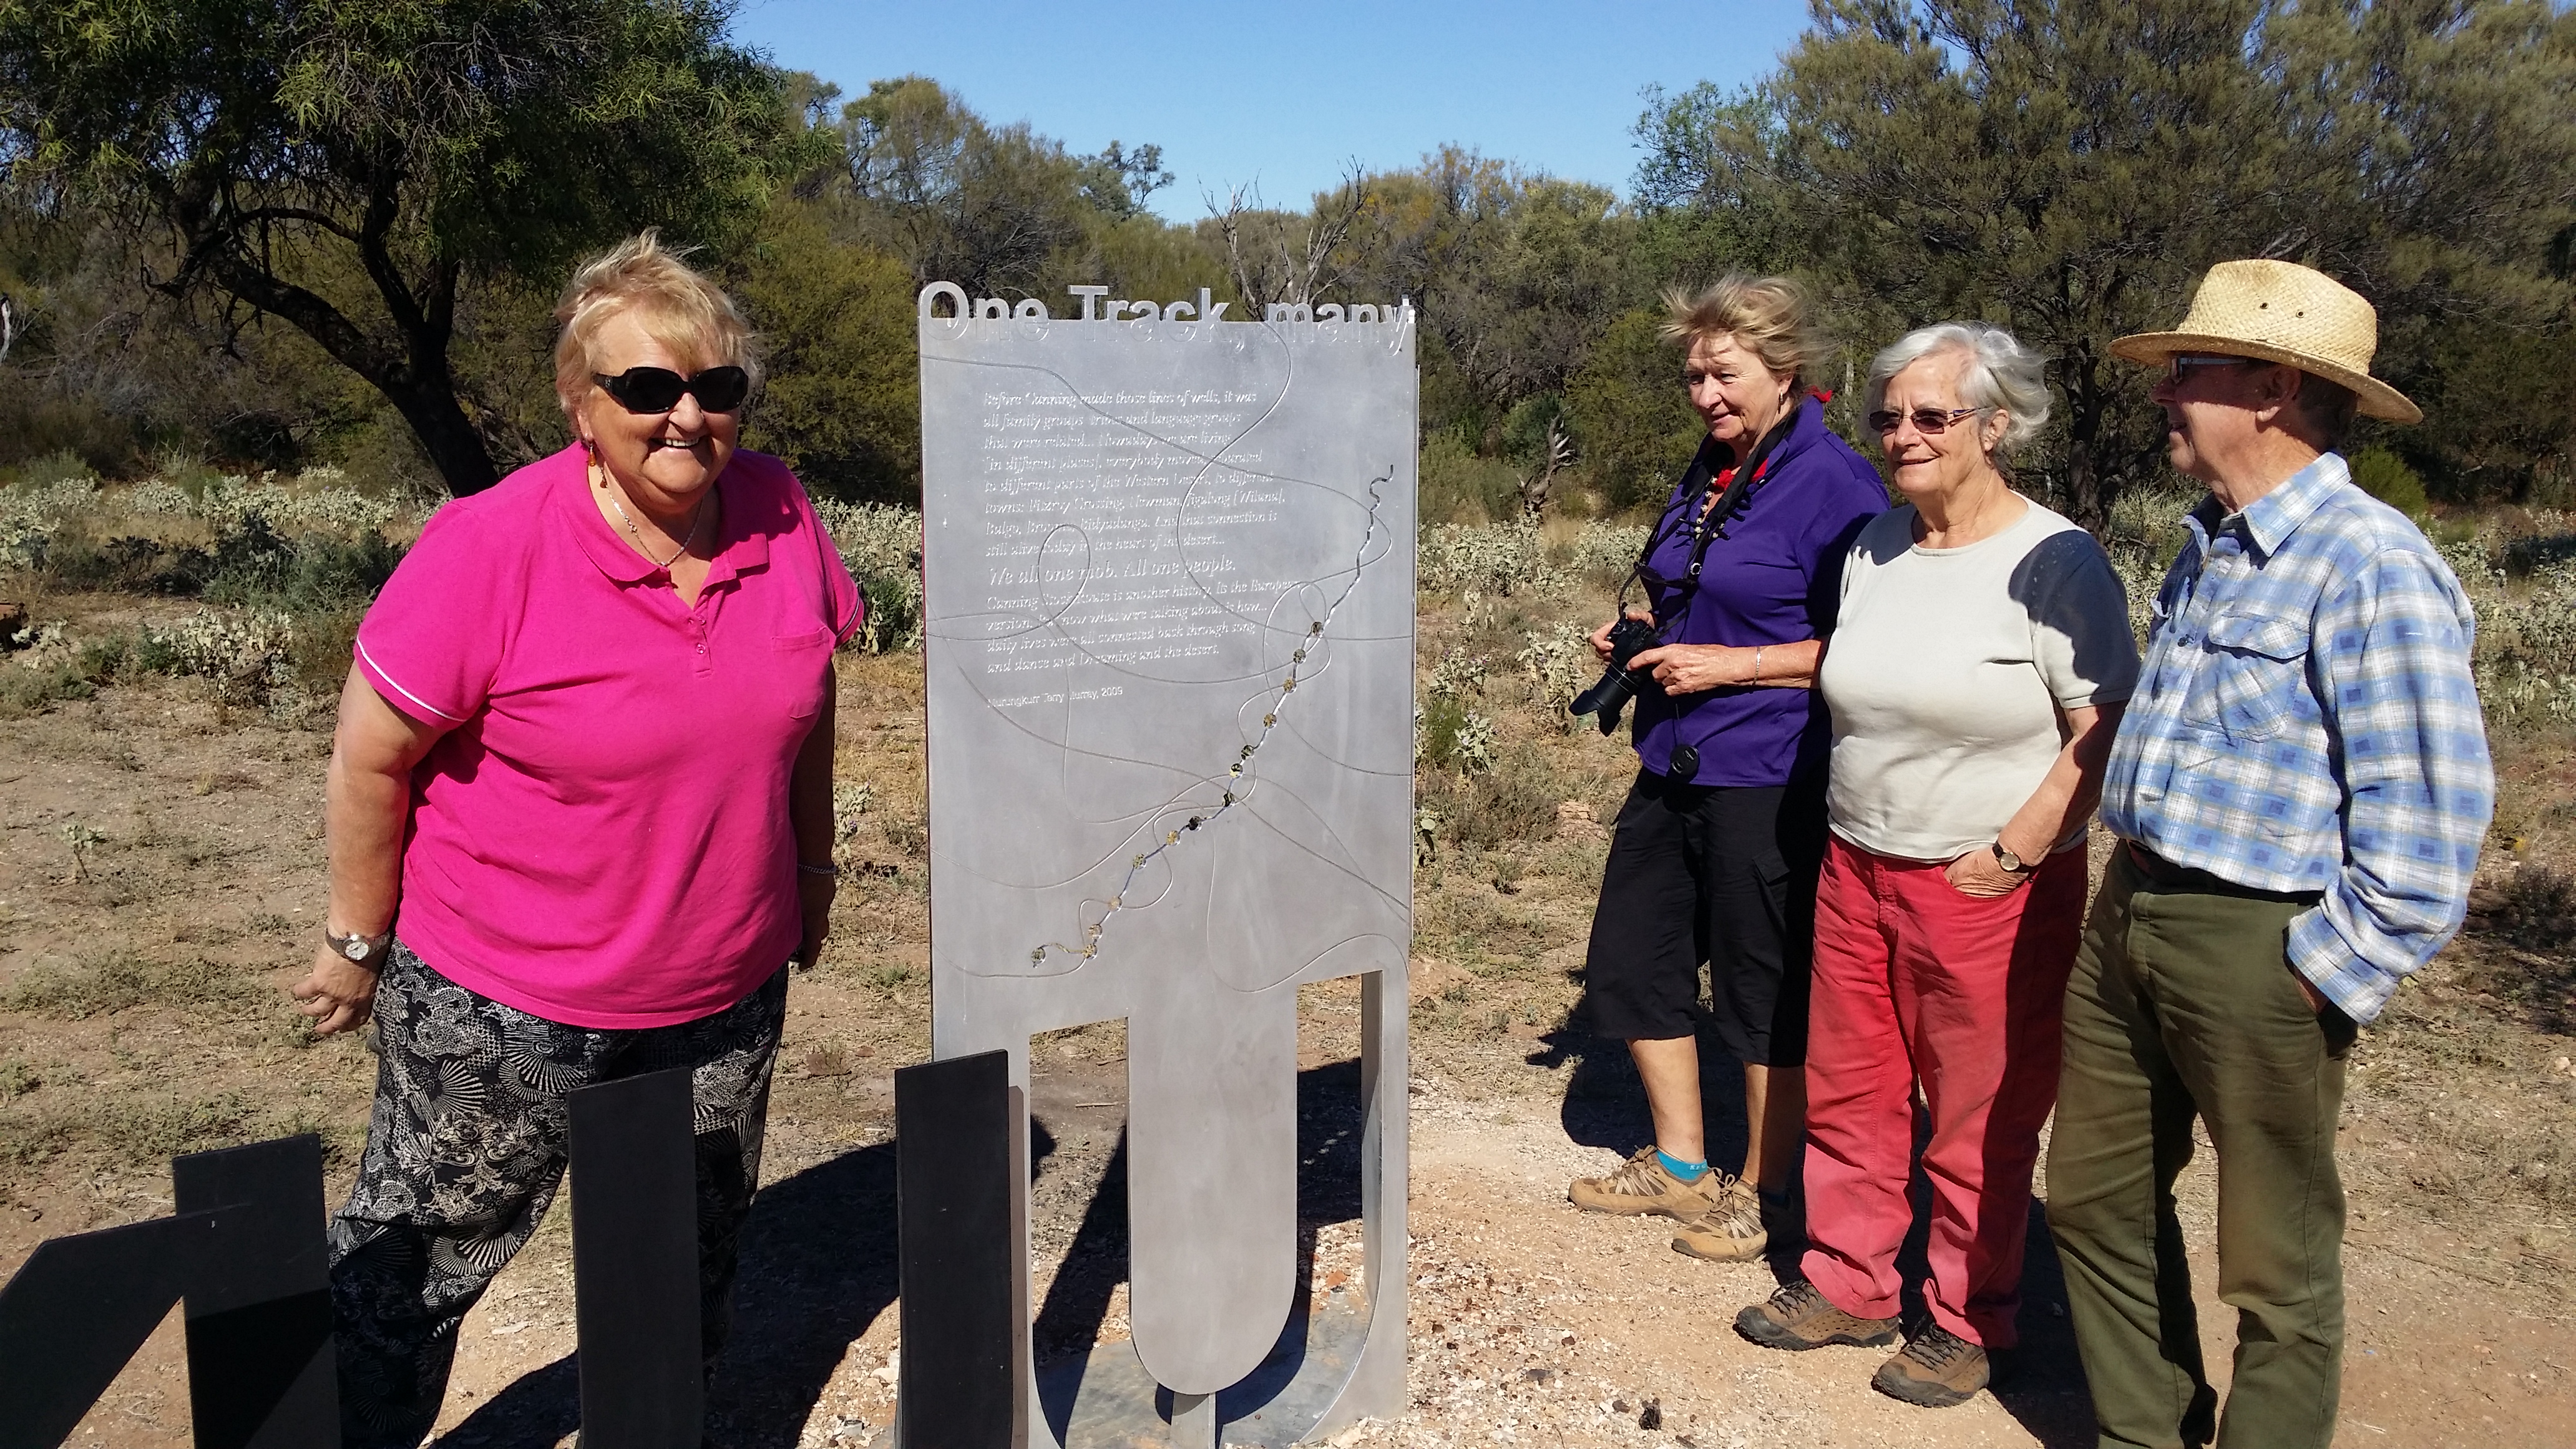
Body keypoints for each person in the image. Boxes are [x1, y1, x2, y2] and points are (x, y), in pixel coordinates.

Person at [286, 231, 862, 1448]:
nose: (687, 416)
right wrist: (354, 938)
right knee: (412, 1276)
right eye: (646, 387)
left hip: (721, 1003)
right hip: (502, 1009)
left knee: (677, 1282)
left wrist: (811, 871)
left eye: (716, 387)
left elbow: (810, 707)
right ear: (578, 402)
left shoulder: (782, 510)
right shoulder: (489, 546)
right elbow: (372, 755)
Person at [2046, 260, 2492, 1449]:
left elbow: (2432, 809)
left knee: (2274, 1262)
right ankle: (2146, 1431)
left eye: (2189, 370)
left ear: (2275, 388)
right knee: (2091, 1197)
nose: (2164, 393)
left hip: (2261, 942)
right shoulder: (2211, 544)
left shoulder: (2371, 560)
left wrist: (2323, 970)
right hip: (2132, 908)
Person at [1729, 324, 2138, 1408]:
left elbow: (2105, 723)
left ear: (1995, 425)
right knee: (1854, 1090)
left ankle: (1966, 1316)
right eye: (1888, 416)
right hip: (1857, 864)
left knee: (1978, 1114)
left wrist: (2013, 852)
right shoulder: (1876, 544)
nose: (1903, 435)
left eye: (1931, 416)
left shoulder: (2057, 560)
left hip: (1986, 883)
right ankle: (1850, 1278)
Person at [1566, 274, 1885, 1260]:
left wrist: (1734, 665)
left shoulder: (1838, 485)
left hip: (1771, 766)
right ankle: (1679, 1165)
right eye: (1695, 377)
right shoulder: (1711, 467)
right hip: (1674, 751)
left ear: (1784, 371)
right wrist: (1648, 629)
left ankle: (1767, 1187)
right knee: (1636, 952)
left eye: (1724, 375)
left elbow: (1871, 645)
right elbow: (1700, 586)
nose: (1705, 394)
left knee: (1760, 983)